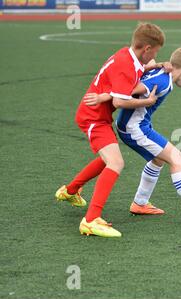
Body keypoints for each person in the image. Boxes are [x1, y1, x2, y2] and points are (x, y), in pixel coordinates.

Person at [85, 47, 181, 226]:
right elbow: (128, 91)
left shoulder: (163, 73)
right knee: (176, 158)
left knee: (158, 159)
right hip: (134, 129)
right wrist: (103, 97)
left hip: (136, 126)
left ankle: (140, 203)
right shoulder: (162, 80)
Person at [55, 22, 171, 237]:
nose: (155, 55)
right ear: (146, 49)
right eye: (155, 52)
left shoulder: (126, 56)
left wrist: (156, 65)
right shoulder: (127, 64)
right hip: (93, 118)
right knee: (116, 162)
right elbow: (118, 102)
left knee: (107, 158)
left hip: (98, 116)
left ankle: (70, 191)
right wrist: (148, 101)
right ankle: (91, 220)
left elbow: (134, 73)